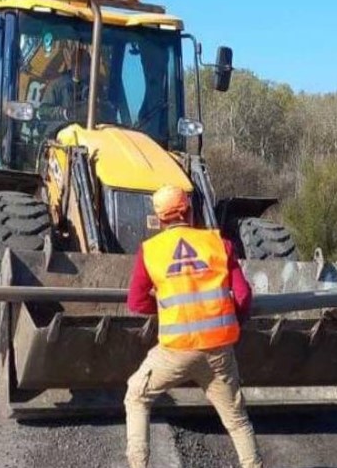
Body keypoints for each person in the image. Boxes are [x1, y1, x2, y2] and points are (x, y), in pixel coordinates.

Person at [123, 185, 263, 468]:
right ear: (188, 211)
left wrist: (170, 310)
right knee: (237, 421)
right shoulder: (219, 243)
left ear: (159, 219)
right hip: (219, 351)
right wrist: (233, 317)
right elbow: (244, 295)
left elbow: (136, 303)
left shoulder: (150, 252)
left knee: (136, 396)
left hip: (175, 352)